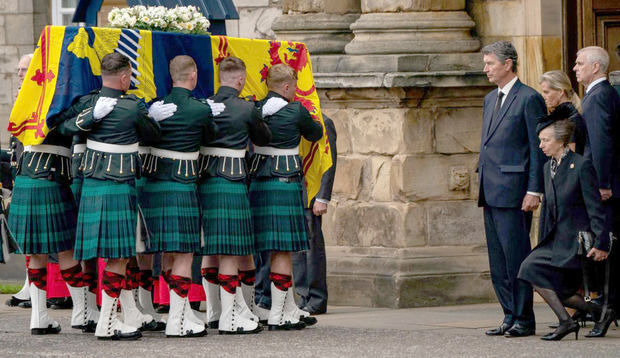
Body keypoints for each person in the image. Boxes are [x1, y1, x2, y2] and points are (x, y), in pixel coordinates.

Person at [61, 52, 173, 340]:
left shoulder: (89, 103)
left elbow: (64, 127)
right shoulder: (132, 107)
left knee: (111, 256)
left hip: (92, 187)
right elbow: (153, 136)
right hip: (119, 187)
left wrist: (90, 116)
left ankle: (124, 315)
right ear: (125, 78)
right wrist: (153, 119)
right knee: (119, 257)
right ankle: (108, 323)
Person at [141, 55, 222, 337]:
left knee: (166, 252)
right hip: (183, 185)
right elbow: (212, 137)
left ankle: (183, 311)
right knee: (185, 252)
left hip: (154, 185)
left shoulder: (154, 107)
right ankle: (177, 320)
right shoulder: (200, 110)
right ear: (194, 75)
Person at [518, 106, 610, 341]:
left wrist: (601, 242)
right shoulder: (546, 167)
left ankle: (569, 321)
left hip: (575, 240)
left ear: (560, 141)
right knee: (540, 276)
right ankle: (598, 313)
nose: (541, 145)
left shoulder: (581, 165)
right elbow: (549, 210)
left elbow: (594, 207)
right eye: (540, 140)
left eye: (545, 140)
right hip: (556, 238)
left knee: (535, 273)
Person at [478, 41, 547, 338]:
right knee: (498, 260)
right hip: (490, 189)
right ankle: (508, 314)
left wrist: (534, 190)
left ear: (508, 64)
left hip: (515, 191)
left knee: (516, 257)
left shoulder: (529, 98)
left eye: (490, 63)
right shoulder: (489, 98)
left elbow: (537, 148)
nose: (485, 69)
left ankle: (524, 318)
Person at [198, 56, 271, 334]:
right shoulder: (245, 107)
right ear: (240, 80)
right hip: (232, 180)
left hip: (205, 180)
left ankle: (214, 312)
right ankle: (230, 315)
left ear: (220, 78)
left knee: (211, 246)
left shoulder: (205, 106)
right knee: (230, 248)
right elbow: (264, 138)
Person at [249, 63, 323, 330]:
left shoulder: (254, 108)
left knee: (262, 245)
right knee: (282, 248)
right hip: (285, 181)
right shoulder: (295, 110)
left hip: (257, 181)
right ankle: (279, 313)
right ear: (287, 86)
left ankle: (286, 306)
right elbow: (316, 133)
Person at [573, 46, 620, 337]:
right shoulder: (604, 94)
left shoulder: (597, 96)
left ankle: (607, 307)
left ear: (595, 67)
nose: (575, 68)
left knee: (605, 248)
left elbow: (600, 145)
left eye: (579, 63)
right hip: (606, 182)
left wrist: (602, 183)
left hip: (602, 185)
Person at [291, 114, 337, 315]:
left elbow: (329, 161)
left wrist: (322, 197)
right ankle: (303, 296)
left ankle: (317, 298)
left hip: (312, 192)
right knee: (297, 251)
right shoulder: (294, 116)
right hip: (294, 191)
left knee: (312, 248)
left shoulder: (323, 121)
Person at [539, 70, 587, 154]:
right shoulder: (561, 115)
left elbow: (571, 155)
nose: (543, 96)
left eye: (546, 92)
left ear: (561, 92)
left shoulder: (569, 118)